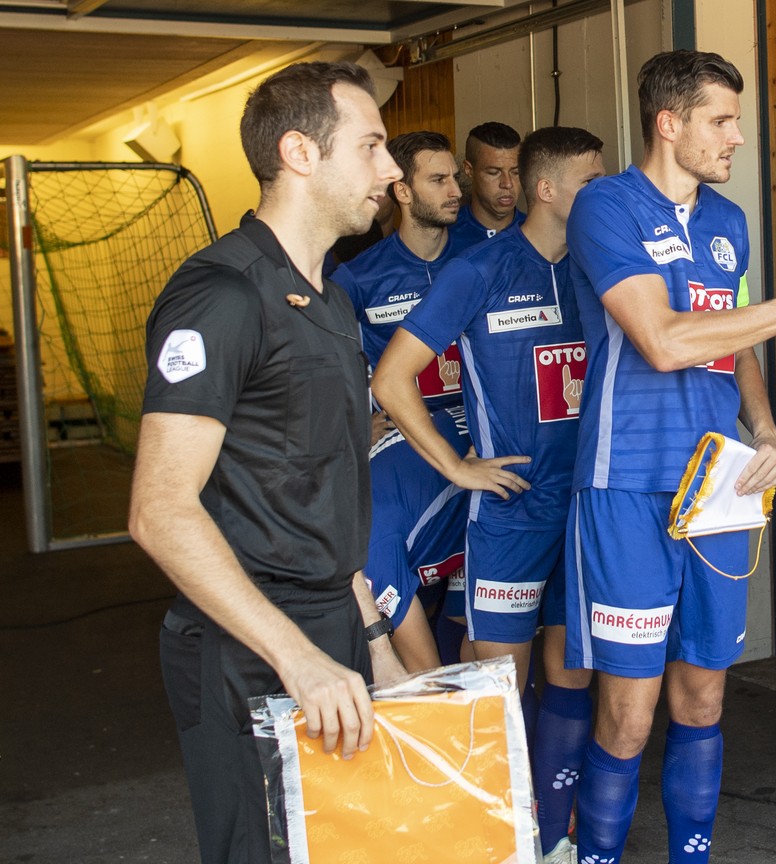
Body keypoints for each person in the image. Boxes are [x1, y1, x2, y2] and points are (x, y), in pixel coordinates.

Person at [562, 50, 776, 864]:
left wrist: (768, 429)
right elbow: (663, 339)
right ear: (669, 122)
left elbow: (734, 343)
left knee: (703, 695)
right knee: (629, 710)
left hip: (721, 485)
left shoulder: (727, 220)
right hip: (627, 489)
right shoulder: (604, 205)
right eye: (722, 120)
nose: (738, 137)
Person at [128, 61, 406, 864]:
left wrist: (375, 642)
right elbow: (160, 510)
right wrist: (296, 658)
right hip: (247, 646)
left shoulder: (330, 298)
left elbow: (328, 491)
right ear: (300, 152)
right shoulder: (221, 295)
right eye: (373, 146)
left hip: (333, 636)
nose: (390, 171)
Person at [373, 125, 606, 864]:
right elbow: (390, 378)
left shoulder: (603, 269)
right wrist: (455, 465)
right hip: (509, 513)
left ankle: (556, 837)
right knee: (498, 687)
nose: (605, 195)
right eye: (591, 182)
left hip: (586, 509)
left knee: (573, 677)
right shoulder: (477, 270)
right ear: (547, 189)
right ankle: (496, 841)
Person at [333, 130, 469, 414]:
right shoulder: (358, 276)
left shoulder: (482, 260)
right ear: (403, 191)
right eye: (438, 180)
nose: (455, 191)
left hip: (474, 431)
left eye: (454, 178)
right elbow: (324, 365)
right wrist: (358, 426)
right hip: (404, 436)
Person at [363, 404, 472, 672]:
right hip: (479, 430)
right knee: (460, 619)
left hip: (518, 474)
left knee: (490, 646)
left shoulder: (370, 554)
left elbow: (425, 673)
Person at [449, 121, 525, 248]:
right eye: (494, 172)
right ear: (469, 169)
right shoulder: (445, 236)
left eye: (515, 172)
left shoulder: (537, 236)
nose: (507, 183)